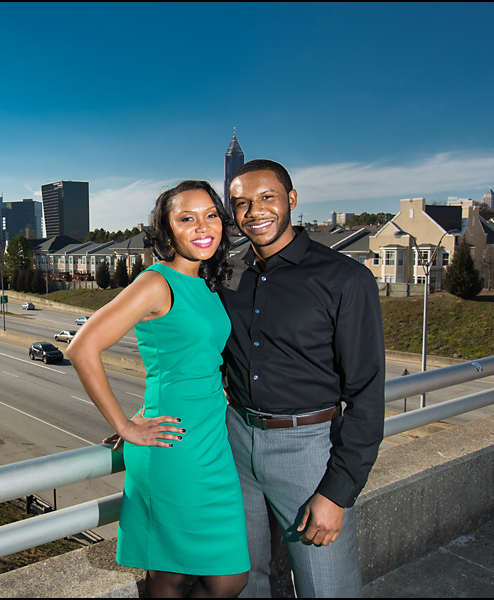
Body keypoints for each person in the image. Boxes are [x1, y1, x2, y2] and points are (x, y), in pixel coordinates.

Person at [67, 180, 249, 598]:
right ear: (167, 232)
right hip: (174, 447)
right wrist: (126, 426)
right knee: (175, 575)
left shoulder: (204, 283)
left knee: (228, 577)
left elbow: (193, 359)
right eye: (186, 218)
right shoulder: (156, 282)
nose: (203, 226)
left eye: (210, 215)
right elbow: (82, 348)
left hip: (212, 443)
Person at [219, 159, 385, 598]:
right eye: (241, 203)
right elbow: (200, 357)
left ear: (291, 200)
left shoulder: (346, 279)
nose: (254, 211)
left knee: (326, 587)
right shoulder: (228, 275)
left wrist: (337, 493)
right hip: (236, 440)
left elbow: (367, 396)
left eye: (266, 198)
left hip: (309, 450)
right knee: (243, 581)